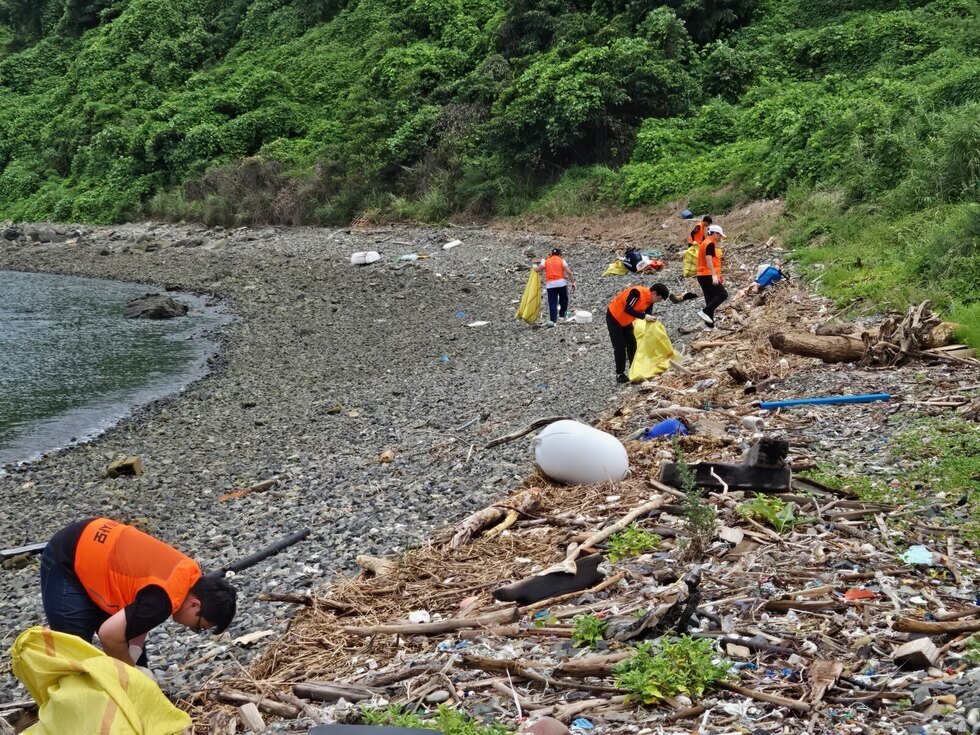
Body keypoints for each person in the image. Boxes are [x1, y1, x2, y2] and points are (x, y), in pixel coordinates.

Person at [40, 517, 237, 667]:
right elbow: (109, 635)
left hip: (94, 539)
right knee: (76, 650)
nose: (190, 628)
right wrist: (129, 676)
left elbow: (140, 611)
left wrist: (133, 654)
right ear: (195, 605)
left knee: (127, 650)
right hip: (67, 555)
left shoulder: (188, 574)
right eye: (197, 626)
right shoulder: (164, 600)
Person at [606, 283, 670, 383]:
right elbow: (628, 309)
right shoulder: (637, 293)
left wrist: (651, 320)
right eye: (659, 299)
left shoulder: (650, 300)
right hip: (614, 317)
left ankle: (634, 369)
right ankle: (620, 374)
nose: (658, 301)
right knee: (620, 347)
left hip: (626, 321)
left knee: (632, 344)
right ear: (654, 293)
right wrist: (644, 316)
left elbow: (648, 313)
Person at [696, 224, 728, 329]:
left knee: (709, 299)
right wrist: (714, 275)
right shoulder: (709, 243)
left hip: (701, 275)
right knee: (723, 294)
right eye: (719, 235)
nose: (720, 238)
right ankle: (704, 311)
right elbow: (708, 259)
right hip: (707, 274)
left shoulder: (704, 243)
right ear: (714, 233)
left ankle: (709, 326)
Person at [533, 247, 575, 327]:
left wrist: (536, 266)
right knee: (564, 299)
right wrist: (572, 283)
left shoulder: (546, 261)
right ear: (559, 254)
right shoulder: (562, 261)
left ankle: (553, 320)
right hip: (561, 284)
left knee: (552, 303)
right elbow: (569, 273)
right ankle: (562, 315)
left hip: (550, 285)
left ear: (551, 254)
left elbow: (538, 270)